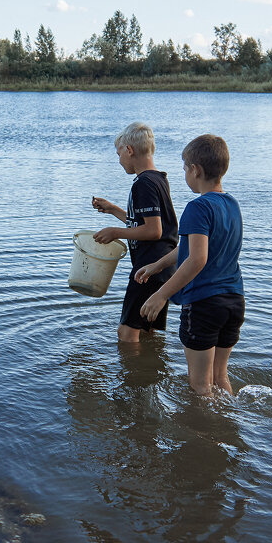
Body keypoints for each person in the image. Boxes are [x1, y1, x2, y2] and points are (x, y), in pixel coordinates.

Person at [135, 134, 244, 397]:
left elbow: (197, 259)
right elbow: (194, 250)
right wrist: (157, 265)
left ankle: (205, 436)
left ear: (195, 170)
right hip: (234, 301)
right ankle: (230, 426)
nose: (184, 173)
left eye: (185, 168)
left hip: (205, 304)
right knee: (219, 378)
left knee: (200, 386)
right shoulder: (232, 204)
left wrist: (161, 295)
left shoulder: (198, 207)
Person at [91, 122, 178, 343]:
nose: (119, 158)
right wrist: (113, 210)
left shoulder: (143, 184)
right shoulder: (158, 178)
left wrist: (115, 232)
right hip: (164, 266)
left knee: (126, 332)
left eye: (118, 152)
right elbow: (145, 224)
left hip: (148, 268)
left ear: (129, 150)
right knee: (147, 330)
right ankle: (152, 371)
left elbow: (153, 230)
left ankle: (132, 376)